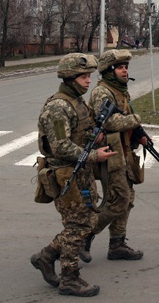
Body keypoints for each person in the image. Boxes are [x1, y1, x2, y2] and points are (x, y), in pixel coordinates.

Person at [31, 53, 116, 297]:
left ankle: (47, 256)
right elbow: (61, 146)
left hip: (81, 172)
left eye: (88, 75)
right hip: (66, 175)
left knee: (87, 222)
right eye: (83, 76)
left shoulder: (77, 102)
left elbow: (80, 134)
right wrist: (94, 155)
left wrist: (94, 137)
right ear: (69, 78)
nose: (88, 80)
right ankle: (69, 278)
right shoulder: (58, 107)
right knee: (76, 226)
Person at [80, 49, 146, 262]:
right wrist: (136, 120)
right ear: (109, 71)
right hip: (109, 154)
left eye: (126, 67)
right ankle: (84, 236)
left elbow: (123, 117)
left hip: (123, 151)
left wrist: (138, 134)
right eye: (120, 68)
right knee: (119, 200)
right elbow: (109, 122)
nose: (125, 71)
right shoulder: (102, 92)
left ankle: (117, 243)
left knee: (127, 199)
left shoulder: (119, 90)